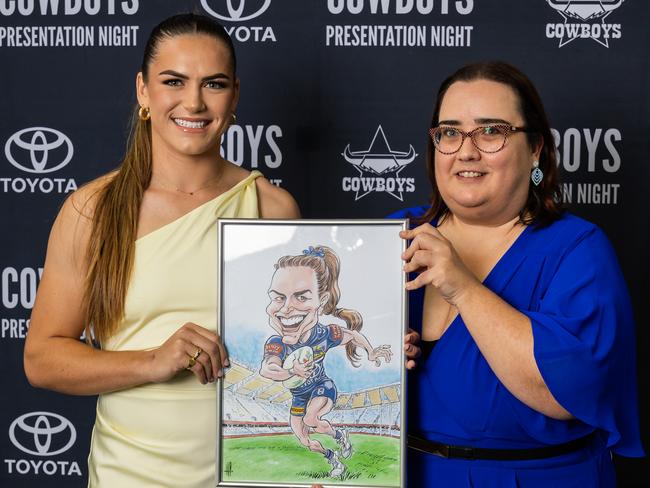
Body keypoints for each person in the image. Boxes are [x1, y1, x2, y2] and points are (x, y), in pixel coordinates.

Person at [23, 13, 300, 487]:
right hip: (129, 474)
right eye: (174, 81)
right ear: (144, 91)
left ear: (234, 95)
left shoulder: (272, 207)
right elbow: (42, 359)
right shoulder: (93, 209)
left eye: (212, 84)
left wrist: (366, 354)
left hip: (251, 471)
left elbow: (296, 346)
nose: (193, 101)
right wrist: (153, 360)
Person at [391, 61, 643, 486]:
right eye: (449, 132)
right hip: (408, 475)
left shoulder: (577, 249)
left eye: (491, 131)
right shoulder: (394, 234)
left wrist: (463, 287)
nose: (466, 151)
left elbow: (561, 395)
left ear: (536, 150)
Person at [259, 245, 393, 477]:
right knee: (303, 438)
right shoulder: (277, 342)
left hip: (322, 387)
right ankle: (333, 456)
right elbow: (268, 368)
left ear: (322, 301)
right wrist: (290, 372)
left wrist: (371, 352)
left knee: (312, 418)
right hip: (299, 396)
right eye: (278, 298)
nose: (286, 308)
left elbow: (353, 335)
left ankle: (339, 437)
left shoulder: (325, 334)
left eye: (301, 297)